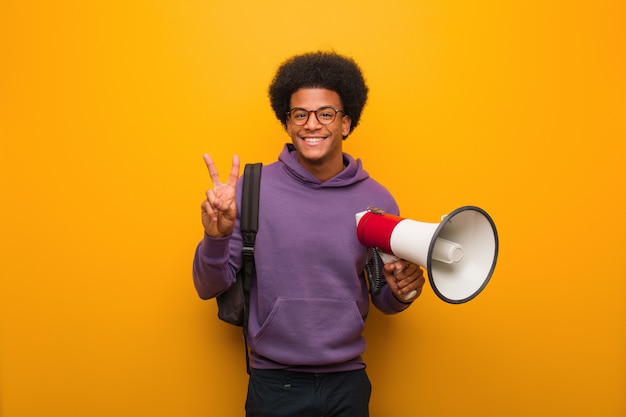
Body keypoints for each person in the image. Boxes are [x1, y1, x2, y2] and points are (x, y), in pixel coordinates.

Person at [193, 51, 426, 417]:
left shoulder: (377, 199)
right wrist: (215, 237)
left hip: (347, 384)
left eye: (325, 114)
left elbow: (384, 297)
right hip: (273, 384)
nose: (311, 124)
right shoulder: (249, 190)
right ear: (287, 124)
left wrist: (403, 292)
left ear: (346, 123)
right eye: (299, 114)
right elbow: (207, 287)